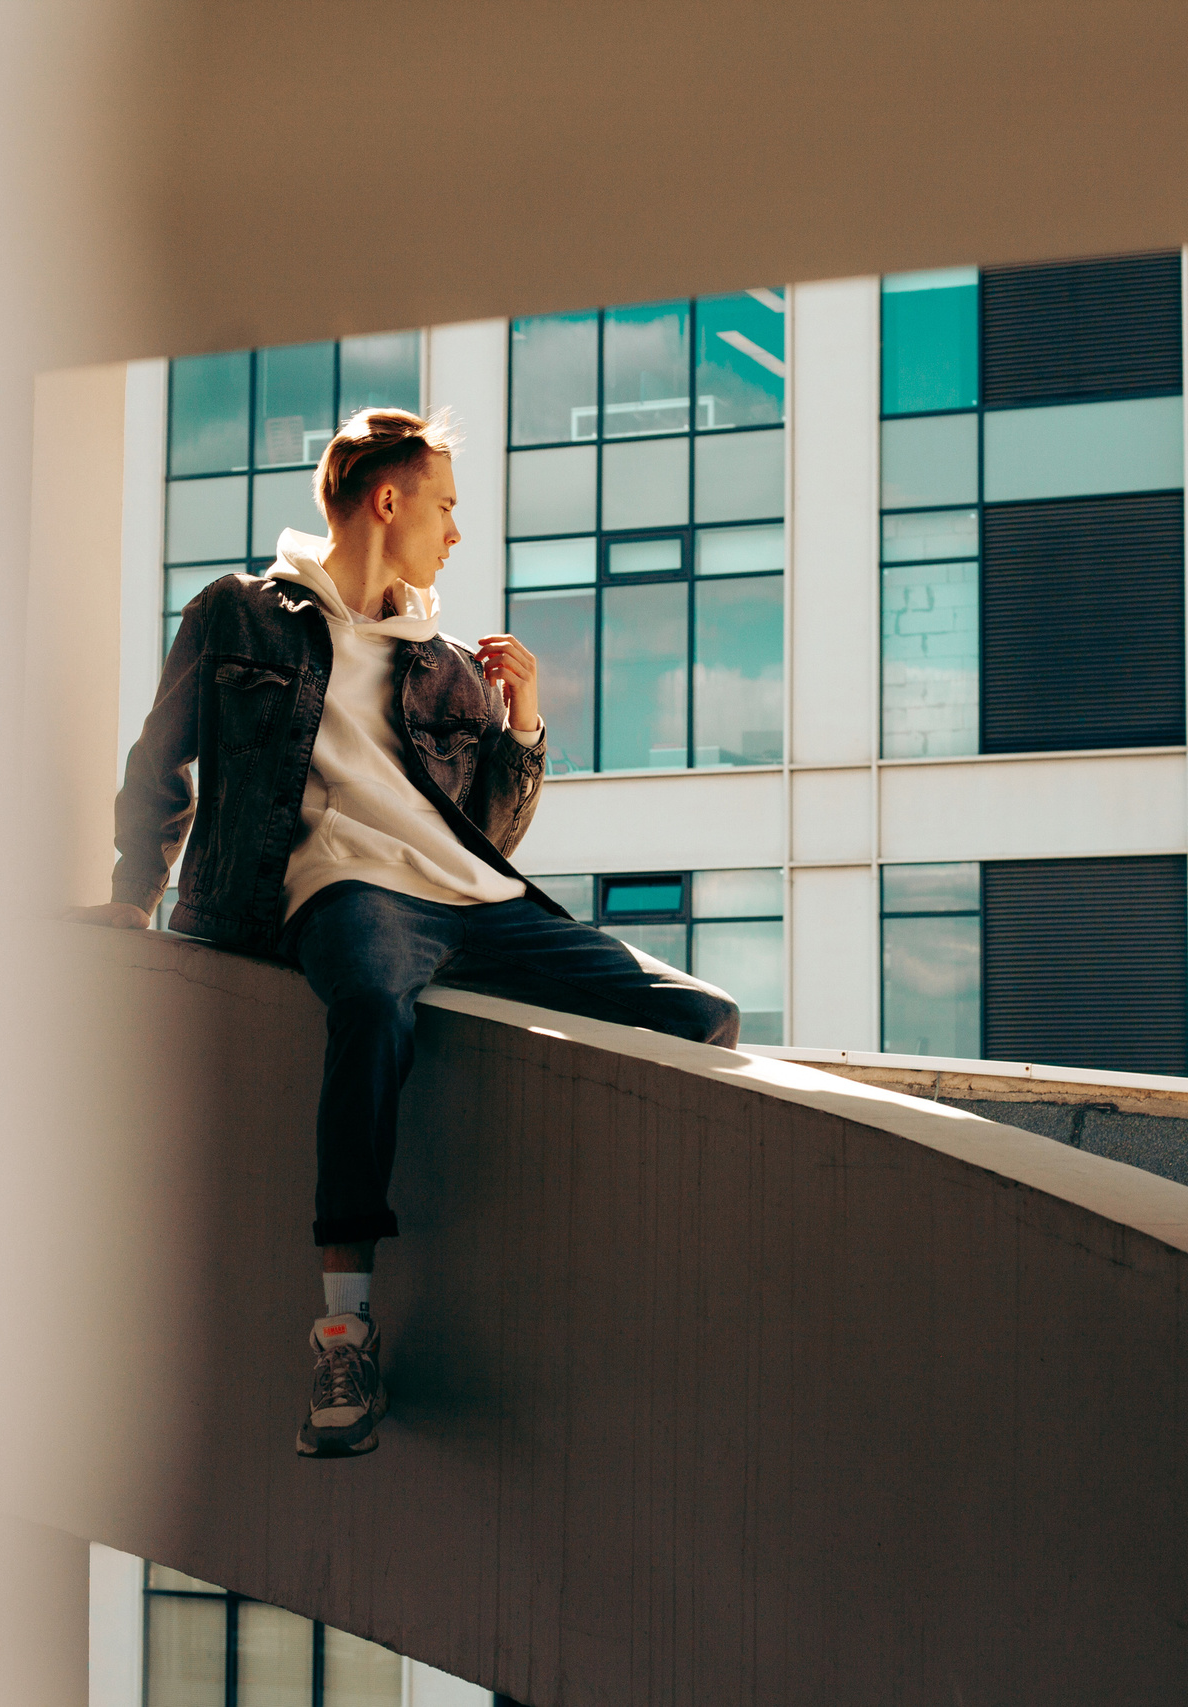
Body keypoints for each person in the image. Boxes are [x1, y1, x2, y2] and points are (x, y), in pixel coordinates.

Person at [72, 406, 739, 1458]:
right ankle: (343, 1329)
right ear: (389, 501)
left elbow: (491, 833)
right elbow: (163, 761)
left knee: (701, 1015)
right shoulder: (236, 614)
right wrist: (129, 893)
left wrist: (521, 725)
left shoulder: (447, 665)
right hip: (338, 889)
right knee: (374, 1008)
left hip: (474, 901)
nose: (456, 536)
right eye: (447, 509)